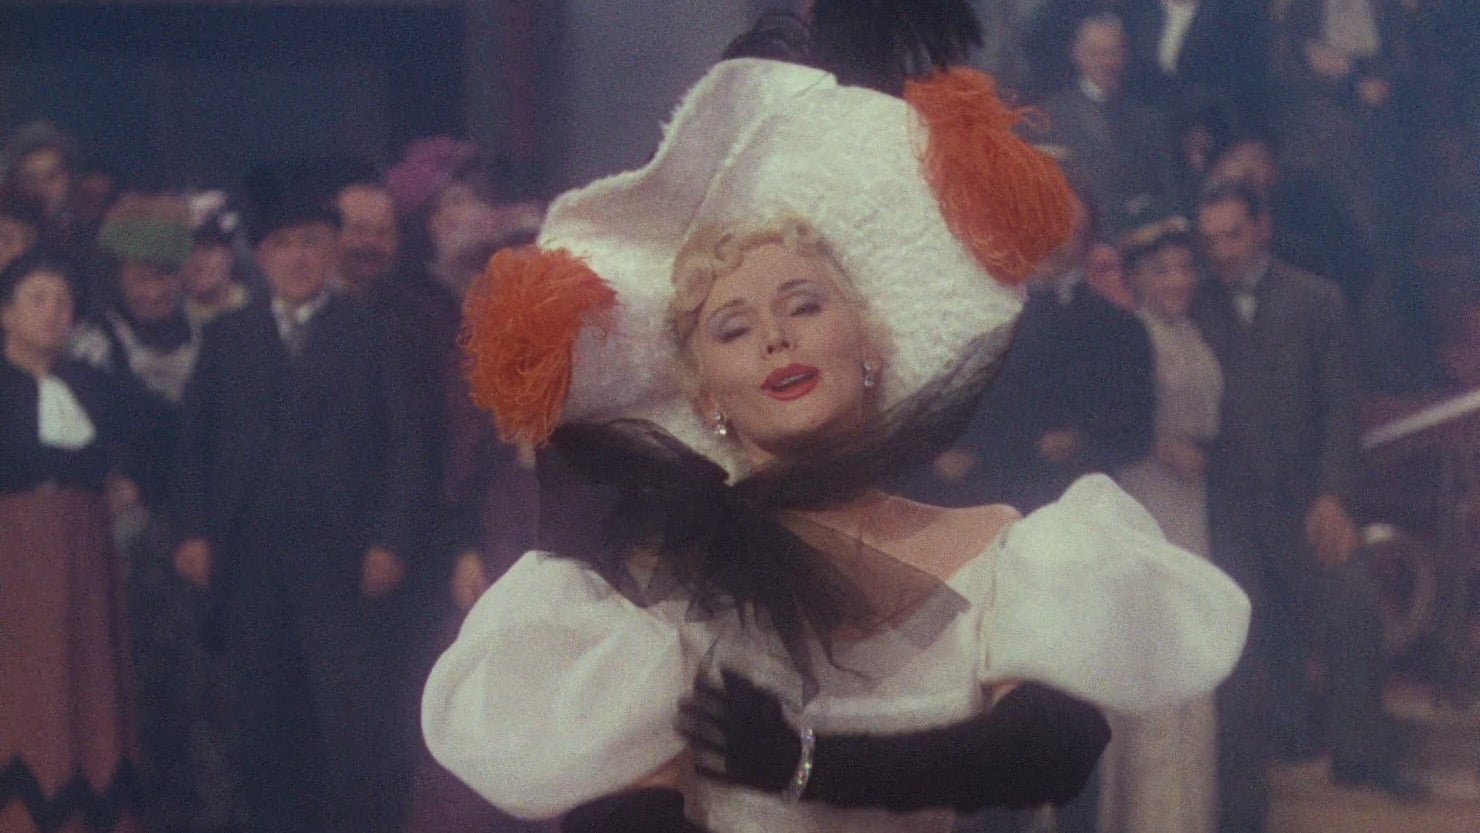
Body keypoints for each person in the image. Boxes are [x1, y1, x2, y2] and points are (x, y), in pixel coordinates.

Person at [422, 29, 1249, 833]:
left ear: (870, 348)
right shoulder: (659, 582)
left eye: (804, 305)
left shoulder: (1000, 549)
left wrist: (807, 761)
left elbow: (1049, 752)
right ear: (708, 399)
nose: (775, 338)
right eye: (733, 328)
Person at [171, 166, 427, 833]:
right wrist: (192, 531)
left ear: (333, 248)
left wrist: (391, 541)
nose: (298, 258)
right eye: (282, 245)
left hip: (344, 563)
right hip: (250, 563)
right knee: (262, 725)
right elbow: (193, 444)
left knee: (351, 728)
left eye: (312, 241)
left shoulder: (372, 334)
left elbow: (409, 447)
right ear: (260, 256)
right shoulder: (229, 337)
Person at [1191, 182, 1423, 833]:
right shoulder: (1194, 303)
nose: (1222, 251)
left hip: (1304, 503)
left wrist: (1333, 495)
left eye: (1234, 235)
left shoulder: (1317, 299)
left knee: (1355, 605)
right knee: (1235, 645)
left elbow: (1341, 406)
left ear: (1261, 228)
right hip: (1225, 510)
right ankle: (1242, 807)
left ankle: (1361, 754)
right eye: (1211, 240)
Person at [0, 251, 140, 833]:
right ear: (6, 313)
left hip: (85, 559)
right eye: (38, 299)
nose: (53, 312)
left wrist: (133, 483)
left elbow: (158, 437)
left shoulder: (93, 385)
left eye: (63, 301)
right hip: (11, 560)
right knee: (23, 684)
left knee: (86, 681)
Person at [1097, 199, 1221, 833]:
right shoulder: (1130, 335)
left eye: (1184, 268)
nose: (1177, 280)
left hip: (1190, 505)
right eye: (1161, 270)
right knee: (1148, 644)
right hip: (1144, 498)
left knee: (1186, 644)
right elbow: (1117, 419)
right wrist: (1163, 448)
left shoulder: (1193, 333)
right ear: (1137, 279)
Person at [1036, 12, 1180, 228]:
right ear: (1076, 53)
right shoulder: (1050, 116)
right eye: (1095, 53)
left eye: (1112, 52)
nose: (1105, 62)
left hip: (1142, 231)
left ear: (1124, 54)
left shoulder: (1147, 118)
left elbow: (1167, 188)